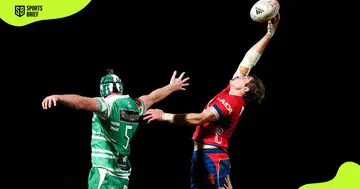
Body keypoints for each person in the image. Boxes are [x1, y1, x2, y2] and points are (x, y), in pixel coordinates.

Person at [143, 13, 280, 189]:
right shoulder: (231, 92)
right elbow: (249, 59)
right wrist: (269, 34)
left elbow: (200, 118)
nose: (240, 75)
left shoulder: (232, 103)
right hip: (204, 156)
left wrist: (164, 116)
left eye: (244, 79)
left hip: (212, 156)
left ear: (245, 89)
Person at [41, 69, 190, 189]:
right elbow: (152, 97)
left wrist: (59, 97)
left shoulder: (107, 105)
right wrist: (172, 87)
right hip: (122, 176)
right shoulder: (134, 106)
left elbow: (83, 102)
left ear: (103, 88)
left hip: (104, 173)